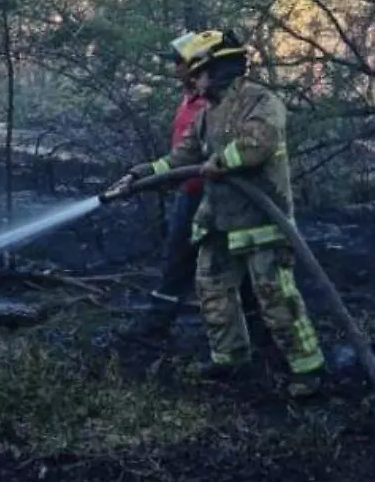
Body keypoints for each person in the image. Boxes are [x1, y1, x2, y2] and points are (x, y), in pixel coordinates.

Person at [112, 29, 327, 397]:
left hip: (263, 223)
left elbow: (258, 144)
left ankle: (307, 370)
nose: (191, 80)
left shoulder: (261, 101)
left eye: (197, 72)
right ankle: (229, 359)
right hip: (217, 222)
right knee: (212, 291)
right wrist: (143, 174)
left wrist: (222, 161)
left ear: (218, 69)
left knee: (276, 298)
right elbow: (183, 157)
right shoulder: (206, 114)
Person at [122, 32, 213, 344]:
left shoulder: (214, 104)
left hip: (213, 195)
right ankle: (158, 323)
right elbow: (182, 153)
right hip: (188, 190)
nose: (175, 69)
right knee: (177, 258)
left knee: (209, 264)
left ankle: (256, 336)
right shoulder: (189, 98)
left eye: (180, 62)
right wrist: (146, 174)